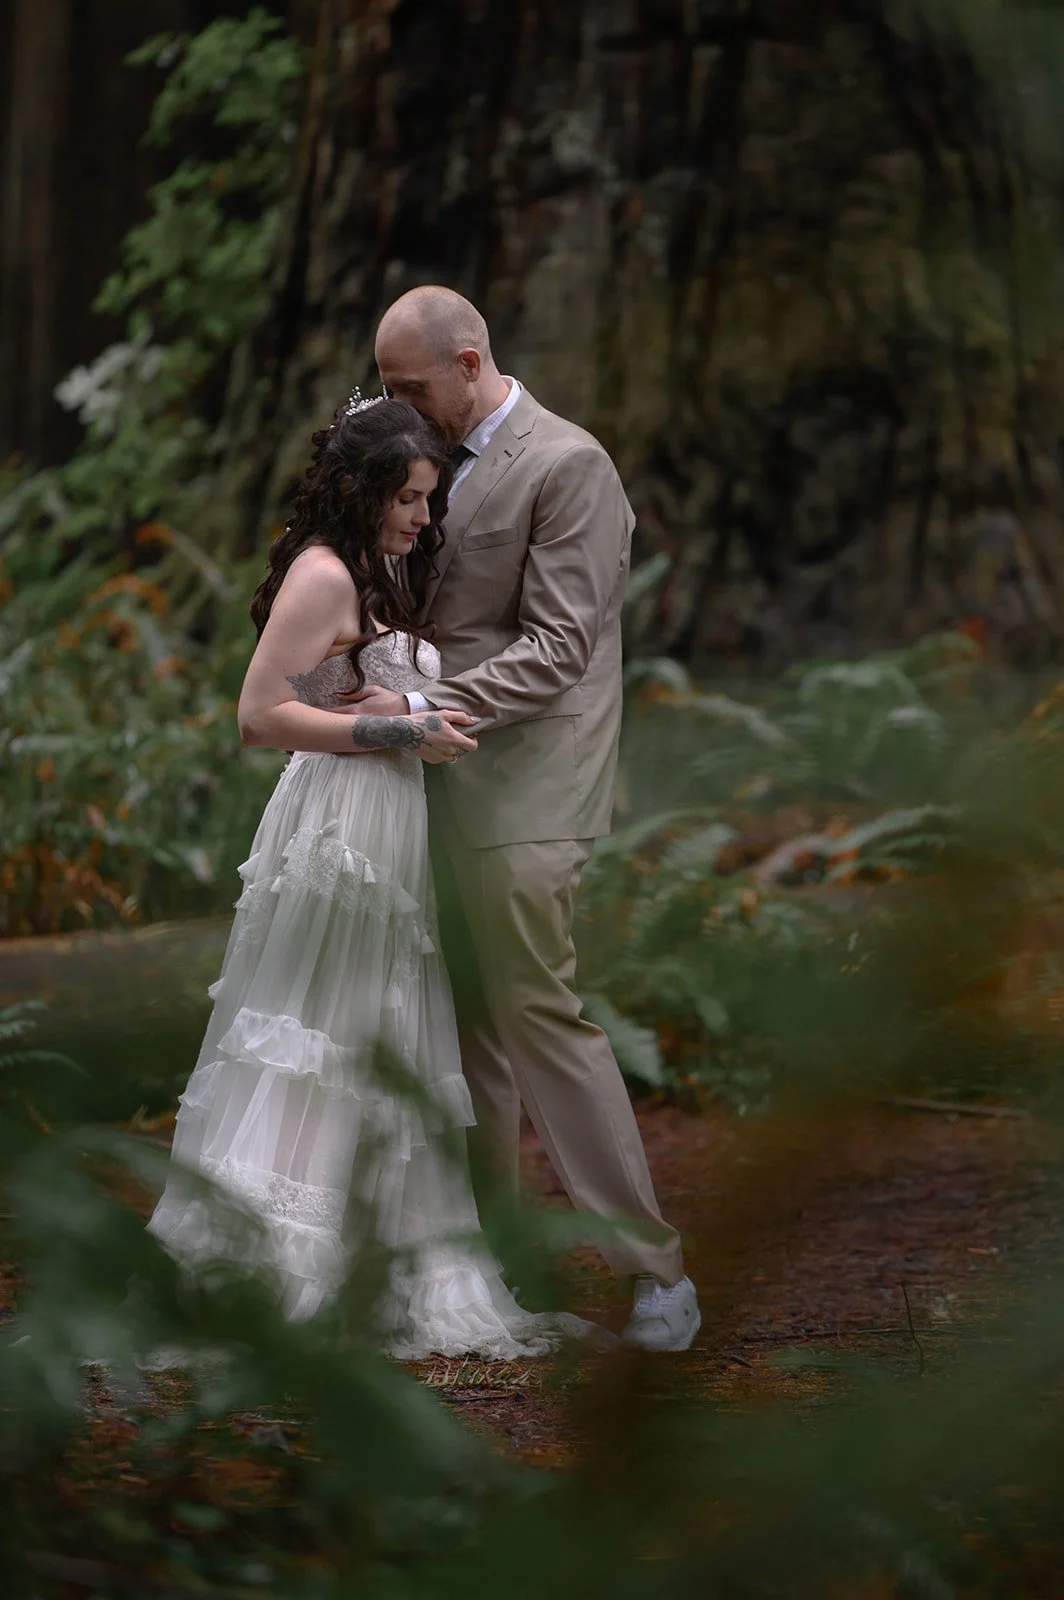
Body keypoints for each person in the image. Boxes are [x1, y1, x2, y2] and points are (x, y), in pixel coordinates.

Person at [147, 395, 591, 1358]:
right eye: (412, 500)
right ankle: (272, 1265)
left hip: (383, 820)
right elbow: (259, 715)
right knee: (325, 1031)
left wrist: (380, 710)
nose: (424, 520)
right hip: (342, 830)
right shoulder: (320, 575)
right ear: (362, 491)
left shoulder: (369, 569)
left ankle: (370, 1252)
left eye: (430, 499)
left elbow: (323, 690)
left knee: (378, 1028)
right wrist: (398, 728)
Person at [342, 286, 700, 1353]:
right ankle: (489, 1265)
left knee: (538, 1013)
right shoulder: (426, 460)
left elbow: (558, 646)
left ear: (465, 361)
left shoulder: (567, 465)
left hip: (531, 781)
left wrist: (411, 712)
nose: (397, 409)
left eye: (410, 388)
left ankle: (656, 1272)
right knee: (466, 1031)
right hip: (430, 777)